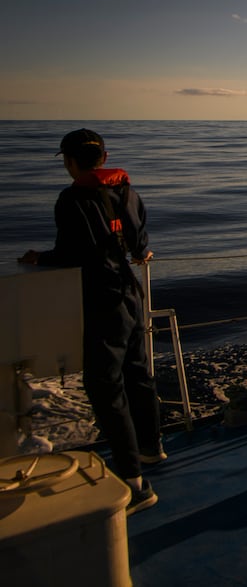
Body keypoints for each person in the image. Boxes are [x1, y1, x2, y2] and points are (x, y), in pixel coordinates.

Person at [19, 128, 165, 515]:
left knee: (104, 386)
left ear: (69, 161)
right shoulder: (128, 192)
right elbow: (138, 244)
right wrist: (141, 252)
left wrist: (40, 258)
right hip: (132, 294)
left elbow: (72, 252)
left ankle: (134, 484)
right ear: (104, 156)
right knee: (138, 374)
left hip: (102, 301)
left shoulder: (73, 199)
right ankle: (152, 448)